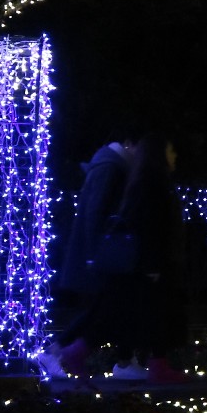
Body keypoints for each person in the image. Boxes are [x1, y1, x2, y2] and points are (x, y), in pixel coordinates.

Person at [37, 134, 137, 379]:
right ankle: (56, 351)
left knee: (108, 306)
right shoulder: (111, 168)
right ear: (129, 144)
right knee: (103, 307)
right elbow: (97, 210)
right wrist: (95, 254)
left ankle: (125, 361)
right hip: (102, 254)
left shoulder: (110, 165)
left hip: (98, 253)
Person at [103, 135, 187, 382]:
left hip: (154, 261)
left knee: (149, 313)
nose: (175, 156)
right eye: (170, 151)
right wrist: (152, 262)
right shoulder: (151, 183)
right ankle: (149, 364)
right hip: (153, 262)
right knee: (153, 313)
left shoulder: (148, 181)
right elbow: (150, 225)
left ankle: (144, 362)